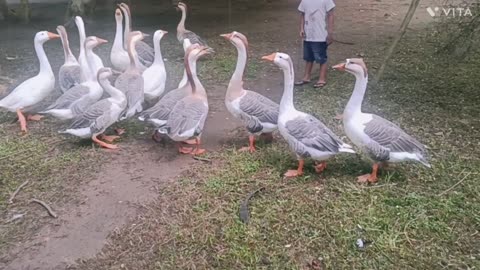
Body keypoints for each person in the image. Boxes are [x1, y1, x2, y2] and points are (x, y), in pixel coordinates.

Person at [295, 0, 335, 88]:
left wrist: (330, 33)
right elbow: (302, 14)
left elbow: (330, 15)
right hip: (308, 35)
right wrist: (302, 29)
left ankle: (322, 79)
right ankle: (306, 77)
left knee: (321, 58)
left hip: (320, 35)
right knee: (308, 57)